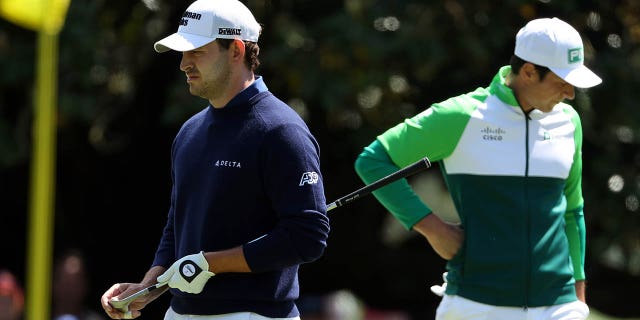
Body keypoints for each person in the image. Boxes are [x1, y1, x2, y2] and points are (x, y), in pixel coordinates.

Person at [354, 17, 601, 320]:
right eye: (562, 82)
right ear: (528, 72)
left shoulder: (569, 122)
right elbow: (373, 161)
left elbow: (572, 211)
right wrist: (432, 228)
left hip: (557, 305)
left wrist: (578, 293)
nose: (570, 94)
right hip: (475, 303)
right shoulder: (461, 115)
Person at [99, 0, 330, 319]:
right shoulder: (189, 132)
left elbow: (307, 238)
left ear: (236, 49)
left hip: (253, 314)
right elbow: (178, 222)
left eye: (196, 52)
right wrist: (149, 285)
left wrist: (210, 263)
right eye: (183, 53)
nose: (183, 64)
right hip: (180, 312)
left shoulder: (281, 130)